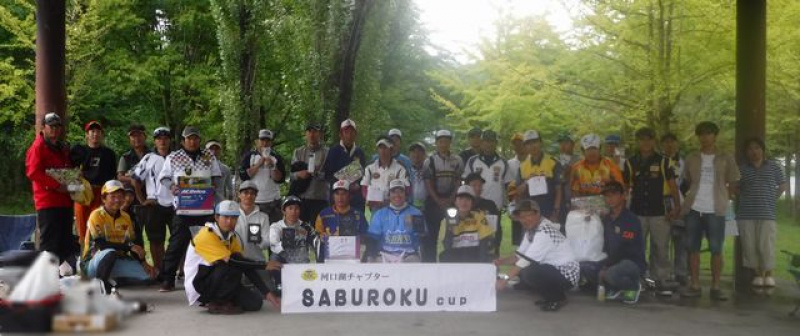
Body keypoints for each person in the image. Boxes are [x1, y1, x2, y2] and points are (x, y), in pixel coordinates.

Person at [184, 200, 281, 314]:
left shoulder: (232, 237)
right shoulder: (207, 234)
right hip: (201, 287)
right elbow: (233, 261)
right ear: (216, 217)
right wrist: (264, 265)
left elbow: (244, 265)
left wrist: (266, 292)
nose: (229, 221)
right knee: (231, 262)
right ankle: (216, 303)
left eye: (234, 218)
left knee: (255, 303)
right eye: (225, 217)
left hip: (218, 281)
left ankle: (225, 299)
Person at [157, 126, 223, 292]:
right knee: (176, 245)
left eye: (195, 138)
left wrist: (213, 186)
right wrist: (172, 187)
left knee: (209, 244)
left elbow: (216, 177)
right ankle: (168, 280)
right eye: (189, 138)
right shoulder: (173, 157)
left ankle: (210, 279)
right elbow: (164, 178)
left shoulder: (209, 156)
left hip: (205, 210)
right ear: (183, 141)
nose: (192, 141)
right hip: (183, 209)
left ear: (199, 140)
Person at [680, 121, 740, 300]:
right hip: (694, 208)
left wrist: (725, 197)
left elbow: (734, 181)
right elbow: (687, 181)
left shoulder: (726, 157)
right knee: (693, 248)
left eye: (709, 133)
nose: (705, 137)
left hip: (716, 209)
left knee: (716, 249)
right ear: (698, 137)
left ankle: (715, 285)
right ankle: (695, 284)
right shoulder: (691, 157)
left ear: (715, 136)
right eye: (702, 134)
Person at [622, 127, 681, 295]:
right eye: (642, 139)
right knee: (636, 247)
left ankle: (661, 280)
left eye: (649, 139)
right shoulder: (630, 162)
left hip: (659, 212)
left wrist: (676, 206)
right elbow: (626, 188)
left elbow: (672, 185)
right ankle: (639, 278)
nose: (645, 142)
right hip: (637, 212)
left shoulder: (664, 161)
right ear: (637, 142)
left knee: (660, 247)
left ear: (654, 141)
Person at [495, 200, 580, 312]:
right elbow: (519, 255)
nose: (524, 220)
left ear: (537, 214)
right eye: (521, 217)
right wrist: (501, 262)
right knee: (528, 271)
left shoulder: (544, 231)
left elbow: (524, 261)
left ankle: (558, 298)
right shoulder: (531, 230)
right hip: (554, 269)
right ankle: (550, 296)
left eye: (528, 215)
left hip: (568, 274)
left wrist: (504, 280)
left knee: (530, 272)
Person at [82, 180, 154, 294]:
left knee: (148, 276)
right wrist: (129, 247)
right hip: (93, 263)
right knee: (110, 252)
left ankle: (111, 279)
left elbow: (132, 243)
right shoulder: (96, 215)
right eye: (113, 196)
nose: (117, 199)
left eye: (121, 196)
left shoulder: (126, 217)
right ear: (104, 198)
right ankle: (100, 286)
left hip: (116, 260)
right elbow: (102, 245)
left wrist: (143, 262)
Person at [734, 137, 787, 288]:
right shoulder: (742, 169)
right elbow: (734, 187)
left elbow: (782, 186)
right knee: (749, 246)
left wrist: (771, 198)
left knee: (766, 245)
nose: (754, 151)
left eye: (757, 148)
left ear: (763, 150)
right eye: (750, 149)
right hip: (746, 214)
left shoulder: (774, 167)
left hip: (767, 213)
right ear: (746, 152)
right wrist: (743, 195)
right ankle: (758, 274)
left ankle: (769, 274)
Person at [25, 113, 76, 265]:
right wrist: (56, 185)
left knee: (65, 241)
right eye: (51, 126)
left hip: (65, 201)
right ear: (43, 127)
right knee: (49, 244)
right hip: (47, 202)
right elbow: (33, 172)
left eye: (57, 126)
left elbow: (68, 171)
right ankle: (46, 280)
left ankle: (63, 278)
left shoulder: (62, 147)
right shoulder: (37, 147)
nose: (54, 129)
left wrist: (74, 185)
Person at [132, 126, 174, 273]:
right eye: (159, 139)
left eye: (165, 138)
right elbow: (136, 180)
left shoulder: (177, 156)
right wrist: (142, 200)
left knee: (179, 239)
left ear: (170, 140)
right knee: (156, 240)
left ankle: (181, 271)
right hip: (154, 203)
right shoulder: (148, 158)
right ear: (154, 141)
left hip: (176, 204)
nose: (162, 142)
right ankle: (158, 270)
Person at [598, 181, 646, 304]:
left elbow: (625, 247)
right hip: (613, 262)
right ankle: (616, 287)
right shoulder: (606, 219)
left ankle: (634, 286)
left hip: (632, 262)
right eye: (607, 196)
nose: (610, 199)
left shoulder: (631, 219)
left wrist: (608, 266)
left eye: (613, 194)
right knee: (591, 270)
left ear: (622, 196)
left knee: (610, 274)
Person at [71, 120, 117, 245]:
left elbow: (113, 176)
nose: (95, 134)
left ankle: (97, 256)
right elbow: (69, 171)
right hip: (82, 192)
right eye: (92, 131)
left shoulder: (109, 154)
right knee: (81, 226)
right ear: (87, 134)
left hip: (101, 193)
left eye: (98, 131)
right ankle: (82, 256)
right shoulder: (79, 150)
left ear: (102, 134)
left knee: (98, 227)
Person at [423, 130, 464, 262]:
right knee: (431, 236)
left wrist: (451, 199)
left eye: (446, 141)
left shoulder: (457, 160)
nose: (443, 144)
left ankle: (451, 262)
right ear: (436, 143)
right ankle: (429, 264)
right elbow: (428, 184)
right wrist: (438, 200)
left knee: (453, 232)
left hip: (452, 201)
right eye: (441, 141)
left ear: (450, 142)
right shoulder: (429, 161)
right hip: (434, 201)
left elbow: (458, 181)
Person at [367, 179, 425, 263]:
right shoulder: (380, 214)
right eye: (393, 192)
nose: (397, 195)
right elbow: (372, 239)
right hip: (384, 255)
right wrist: (370, 257)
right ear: (389, 195)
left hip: (409, 255)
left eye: (400, 191)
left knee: (414, 261)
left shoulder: (415, 213)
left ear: (405, 195)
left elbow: (421, 239)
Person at [513, 130, 563, 224]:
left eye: (535, 142)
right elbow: (518, 192)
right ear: (525, 147)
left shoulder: (553, 163)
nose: (533, 146)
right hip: (530, 214)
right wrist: (526, 182)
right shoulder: (522, 167)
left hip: (550, 212)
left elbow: (559, 190)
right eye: (529, 143)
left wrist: (555, 213)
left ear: (541, 143)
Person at [315, 180, 369, 262]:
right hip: (329, 258)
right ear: (333, 196)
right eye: (337, 194)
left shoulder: (358, 215)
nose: (340, 197)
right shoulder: (324, 215)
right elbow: (317, 234)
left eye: (343, 194)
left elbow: (365, 234)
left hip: (352, 258)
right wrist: (321, 236)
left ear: (349, 196)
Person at [439, 185, 495, 263]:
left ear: (472, 203)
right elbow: (446, 246)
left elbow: (484, 242)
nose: (464, 202)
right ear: (455, 202)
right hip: (456, 254)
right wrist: (450, 228)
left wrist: (481, 265)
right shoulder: (447, 219)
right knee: (444, 256)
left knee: (488, 258)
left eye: (468, 199)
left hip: (475, 253)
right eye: (460, 199)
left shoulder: (479, 216)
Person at [239, 129, 286, 222]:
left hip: (273, 202)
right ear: (257, 142)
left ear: (271, 142)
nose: (265, 143)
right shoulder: (249, 156)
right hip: (254, 201)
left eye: (268, 140)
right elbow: (243, 176)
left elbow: (281, 179)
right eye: (262, 140)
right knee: (254, 231)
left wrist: (272, 167)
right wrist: (258, 165)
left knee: (273, 231)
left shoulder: (276, 157)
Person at [661, 132, 689, 285]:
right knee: (662, 240)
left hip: (681, 204)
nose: (669, 145)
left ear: (677, 143)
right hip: (663, 204)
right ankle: (663, 274)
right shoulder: (660, 162)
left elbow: (688, 182)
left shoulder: (684, 162)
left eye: (672, 142)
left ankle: (681, 273)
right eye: (666, 142)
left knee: (680, 240)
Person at [462, 130, 512, 214]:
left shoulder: (503, 162)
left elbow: (509, 185)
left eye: (492, 141)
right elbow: (465, 183)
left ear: (496, 143)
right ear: (481, 143)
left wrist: (511, 203)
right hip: (475, 206)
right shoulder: (472, 161)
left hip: (496, 206)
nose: (489, 144)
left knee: (495, 228)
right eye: (486, 141)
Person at [323, 119, 367, 213]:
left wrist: (358, 185)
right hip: (338, 199)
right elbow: (327, 175)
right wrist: (343, 185)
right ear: (341, 134)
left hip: (356, 200)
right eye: (346, 132)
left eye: (352, 132)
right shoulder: (333, 151)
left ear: (356, 134)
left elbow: (364, 175)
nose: (349, 135)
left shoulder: (360, 152)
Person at [290, 121, 330, 222]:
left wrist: (316, 174)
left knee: (319, 231)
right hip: (302, 198)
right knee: (301, 231)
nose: (312, 134)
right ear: (306, 134)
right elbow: (291, 175)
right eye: (309, 132)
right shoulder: (298, 152)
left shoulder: (328, 152)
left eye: (315, 132)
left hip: (320, 198)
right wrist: (299, 174)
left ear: (320, 134)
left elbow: (331, 175)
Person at [361, 136, 409, 212]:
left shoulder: (400, 168)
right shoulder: (369, 167)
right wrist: (367, 198)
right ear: (377, 150)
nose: (382, 151)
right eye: (380, 148)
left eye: (385, 148)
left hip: (394, 207)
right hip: (375, 207)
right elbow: (364, 186)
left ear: (391, 150)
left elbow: (407, 188)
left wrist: (394, 199)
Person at [233, 180, 271, 263]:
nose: (249, 195)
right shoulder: (231, 214)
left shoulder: (263, 217)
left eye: (252, 193)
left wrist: (259, 240)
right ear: (239, 195)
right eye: (245, 192)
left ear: (256, 196)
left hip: (256, 260)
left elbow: (267, 242)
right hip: (234, 260)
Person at [464, 172, 501, 256]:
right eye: (474, 185)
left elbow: (498, 228)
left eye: (480, 185)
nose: (478, 188)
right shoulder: (460, 206)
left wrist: (496, 246)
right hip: (465, 247)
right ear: (467, 187)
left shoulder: (490, 204)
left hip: (486, 245)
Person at [506, 133, 526, 245]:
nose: (518, 146)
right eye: (515, 144)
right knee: (519, 239)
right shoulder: (509, 163)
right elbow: (508, 186)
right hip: (515, 203)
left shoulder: (531, 161)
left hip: (530, 202)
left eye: (520, 144)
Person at [557, 132, 580, 222]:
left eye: (566, 143)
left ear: (573, 144)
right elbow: (558, 180)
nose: (563, 145)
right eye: (561, 143)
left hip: (576, 199)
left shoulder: (580, 160)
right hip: (560, 201)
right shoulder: (555, 161)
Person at [408, 142, 428, 209]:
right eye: (413, 152)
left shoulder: (430, 170)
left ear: (424, 155)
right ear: (409, 155)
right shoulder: (405, 171)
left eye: (419, 151)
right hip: (409, 206)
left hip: (428, 206)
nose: (416, 154)